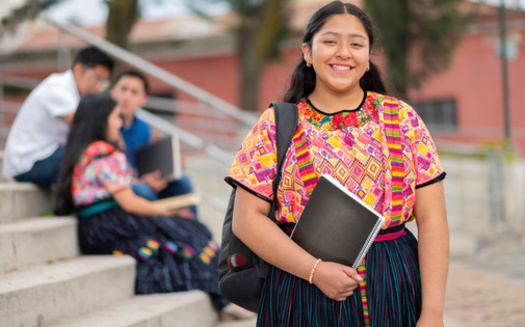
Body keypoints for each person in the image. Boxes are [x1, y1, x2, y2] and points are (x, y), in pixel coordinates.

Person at [226, 1, 449, 326]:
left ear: (369, 56)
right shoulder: (275, 124)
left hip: (393, 284)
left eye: (356, 44)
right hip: (299, 287)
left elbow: (432, 221)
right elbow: (246, 220)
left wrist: (432, 313)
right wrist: (315, 272)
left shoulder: (403, 120)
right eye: (330, 41)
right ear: (307, 51)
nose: (343, 52)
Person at [54, 92, 252, 321]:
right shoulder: (107, 155)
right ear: (101, 121)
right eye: (115, 118)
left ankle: (224, 296)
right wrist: (169, 212)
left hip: (94, 228)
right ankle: (224, 296)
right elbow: (130, 203)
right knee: (192, 231)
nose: (119, 124)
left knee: (184, 232)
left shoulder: (84, 154)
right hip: (114, 223)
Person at [2, 46, 114, 188]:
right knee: (89, 163)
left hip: (51, 154)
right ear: (79, 69)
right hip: (28, 161)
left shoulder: (76, 93)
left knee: (94, 161)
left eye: (103, 82)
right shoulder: (58, 88)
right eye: (96, 79)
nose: (98, 87)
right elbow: (87, 127)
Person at [110, 70, 197, 214]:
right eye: (123, 89)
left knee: (183, 181)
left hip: (142, 179)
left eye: (134, 92)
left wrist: (170, 167)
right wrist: (141, 181)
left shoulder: (144, 127)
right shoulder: (106, 125)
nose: (127, 96)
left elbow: (146, 163)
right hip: (123, 186)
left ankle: (194, 229)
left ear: (144, 99)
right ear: (113, 91)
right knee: (143, 191)